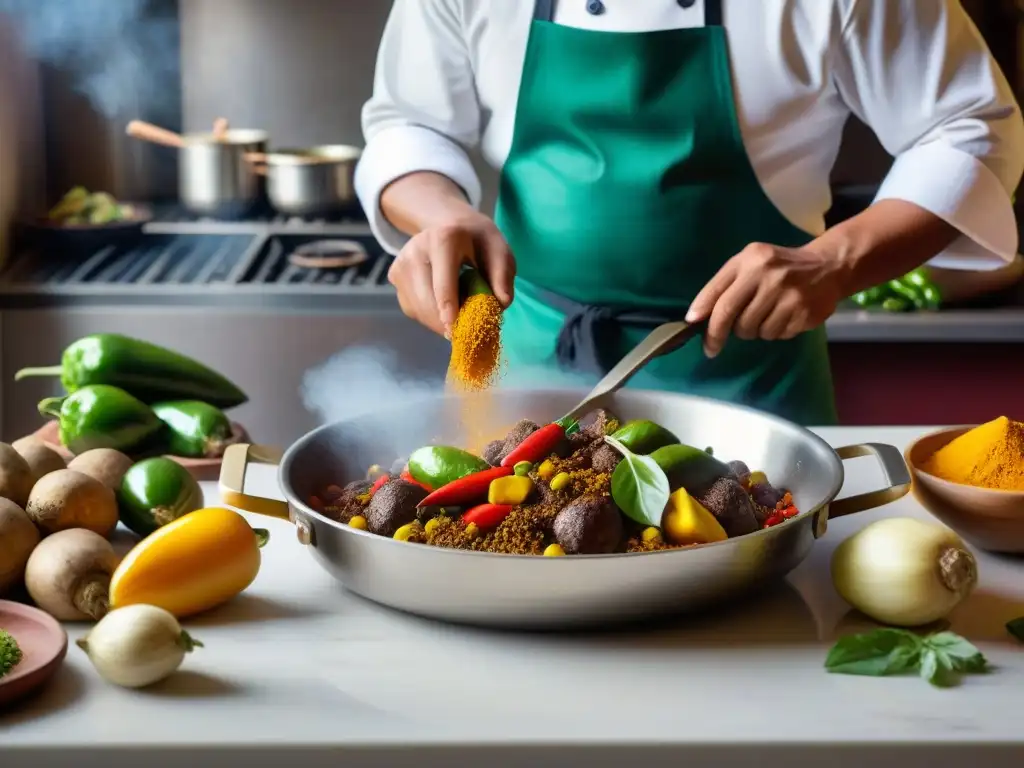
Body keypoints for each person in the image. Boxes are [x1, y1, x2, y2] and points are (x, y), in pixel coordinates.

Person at [355, 0, 1023, 425]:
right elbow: (409, 122)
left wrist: (833, 260)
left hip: (747, 384)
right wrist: (438, 211)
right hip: (523, 370)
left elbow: (970, 128)